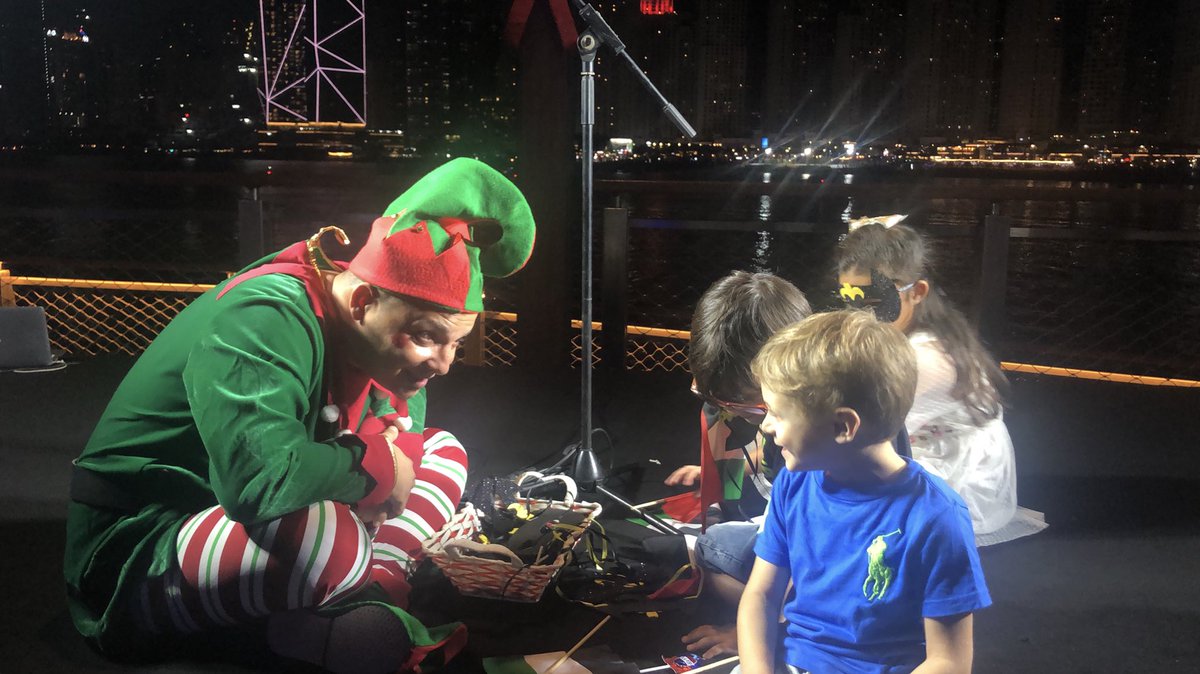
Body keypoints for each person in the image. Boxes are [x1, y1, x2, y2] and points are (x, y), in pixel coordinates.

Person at [64, 158, 536, 673]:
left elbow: (405, 433)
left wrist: (388, 464)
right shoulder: (265, 316)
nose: (442, 364)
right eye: (426, 336)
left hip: (258, 518)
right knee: (329, 539)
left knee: (443, 450)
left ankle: (372, 586)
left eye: (456, 344)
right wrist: (375, 469)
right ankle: (346, 594)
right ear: (361, 301)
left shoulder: (373, 337)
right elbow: (258, 483)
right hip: (144, 538)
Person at [739, 310, 990, 674]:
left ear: (843, 426)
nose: (766, 426)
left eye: (778, 413)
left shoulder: (937, 518)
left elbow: (949, 660)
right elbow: (761, 596)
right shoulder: (792, 485)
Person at [835, 219, 1046, 545]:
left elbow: (863, 431)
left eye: (875, 300)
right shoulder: (904, 334)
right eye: (851, 300)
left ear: (917, 292)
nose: (861, 314)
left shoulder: (924, 357)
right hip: (926, 448)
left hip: (963, 477)